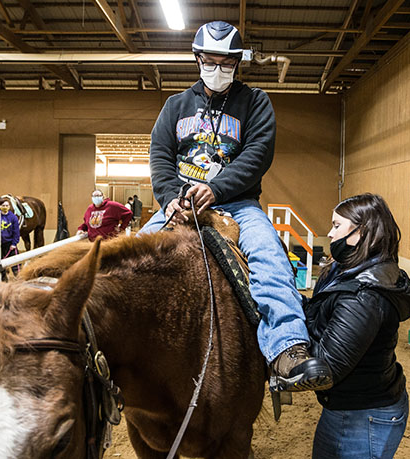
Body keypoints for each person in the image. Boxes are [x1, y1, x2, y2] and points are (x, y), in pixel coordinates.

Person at [141, 20, 332, 392]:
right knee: (131, 254)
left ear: (237, 63)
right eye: (209, 62)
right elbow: (160, 156)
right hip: (179, 205)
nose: (217, 70)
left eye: (225, 64)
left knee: (268, 253)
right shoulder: (175, 105)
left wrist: (215, 188)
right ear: (197, 59)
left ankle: (286, 346)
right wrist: (170, 199)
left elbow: (257, 154)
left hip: (238, 205)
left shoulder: (255, 101)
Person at [304, 193, 410, 459]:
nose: (330, 235)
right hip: (350, 406)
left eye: (336, 226)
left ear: (360, 232)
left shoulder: (363, 296)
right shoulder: (348, 270)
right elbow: (318, 313)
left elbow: (327, 367)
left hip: (362, 416)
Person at [0, 200, 21, 281]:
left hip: (10, 244)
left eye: (6, 205)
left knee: (16, 264)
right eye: (3, 205)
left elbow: (16, 232)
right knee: (1, 265)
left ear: (9, 207)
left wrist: (14, 243)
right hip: (0, 245)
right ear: (0, 206)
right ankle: (4, 281)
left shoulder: (13, 217)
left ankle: (19, 279)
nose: (5, 207)